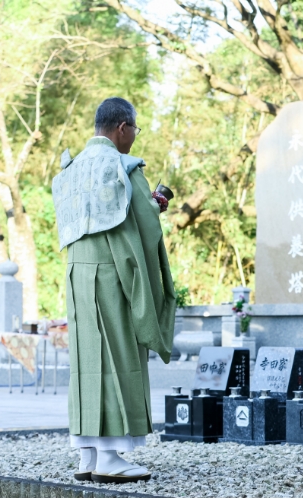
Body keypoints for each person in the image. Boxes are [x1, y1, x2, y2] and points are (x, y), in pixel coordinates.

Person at [52, 97, 176, 484]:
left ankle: (87, 455)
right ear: (122, 127)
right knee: (116, 353)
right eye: (134, 130)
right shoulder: (123, 167)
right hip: (111, 275)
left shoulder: (69, 170)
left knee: (87, 361)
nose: (134, 139)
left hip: (76, 275)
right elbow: (144, 223)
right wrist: (157, 205)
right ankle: (109, 457)